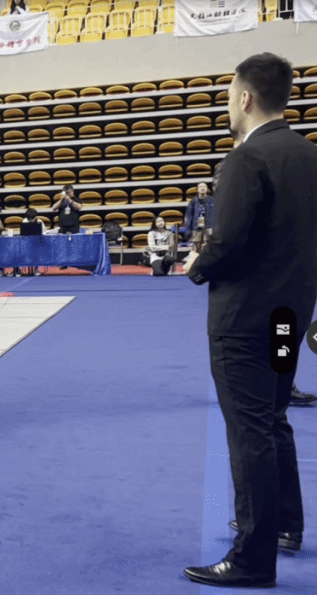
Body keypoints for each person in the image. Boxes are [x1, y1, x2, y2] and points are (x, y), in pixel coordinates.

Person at [182, 52, 317, 589]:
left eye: (229, 97)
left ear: (245, 97)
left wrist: (197, 263)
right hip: (288, 317)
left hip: (244, 320)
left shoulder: (245, 159)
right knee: (274, 417)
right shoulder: (309, 156)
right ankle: (285, 524)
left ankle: (253, 559)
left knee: (249, 429)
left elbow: (230, 240)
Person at [182, 182, 215, 252]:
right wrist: (188, 231)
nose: (202, 188)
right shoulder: (193, 201)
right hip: (196, 226)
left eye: (204, 186)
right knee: (197, 248)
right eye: (200, 187)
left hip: (209, 226)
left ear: (207, 189)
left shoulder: (212, 200)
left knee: (208, 247)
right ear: (197, 189)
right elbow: (189, 216)